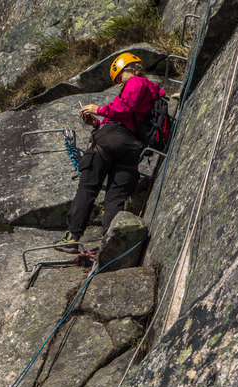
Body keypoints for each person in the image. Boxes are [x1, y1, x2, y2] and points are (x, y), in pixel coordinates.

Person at [55, 52, 166, 252]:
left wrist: (98, 109)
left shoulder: (135, 82)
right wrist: (96, 123)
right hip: (131, 147)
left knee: (88, 187)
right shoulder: (151, 91)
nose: (120, 84)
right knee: (115, 197)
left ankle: (72, 237)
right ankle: (111, 242)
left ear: (130, 69)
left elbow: (123, 109)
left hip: (111, 138)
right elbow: (128, 117)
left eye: (120, 78)